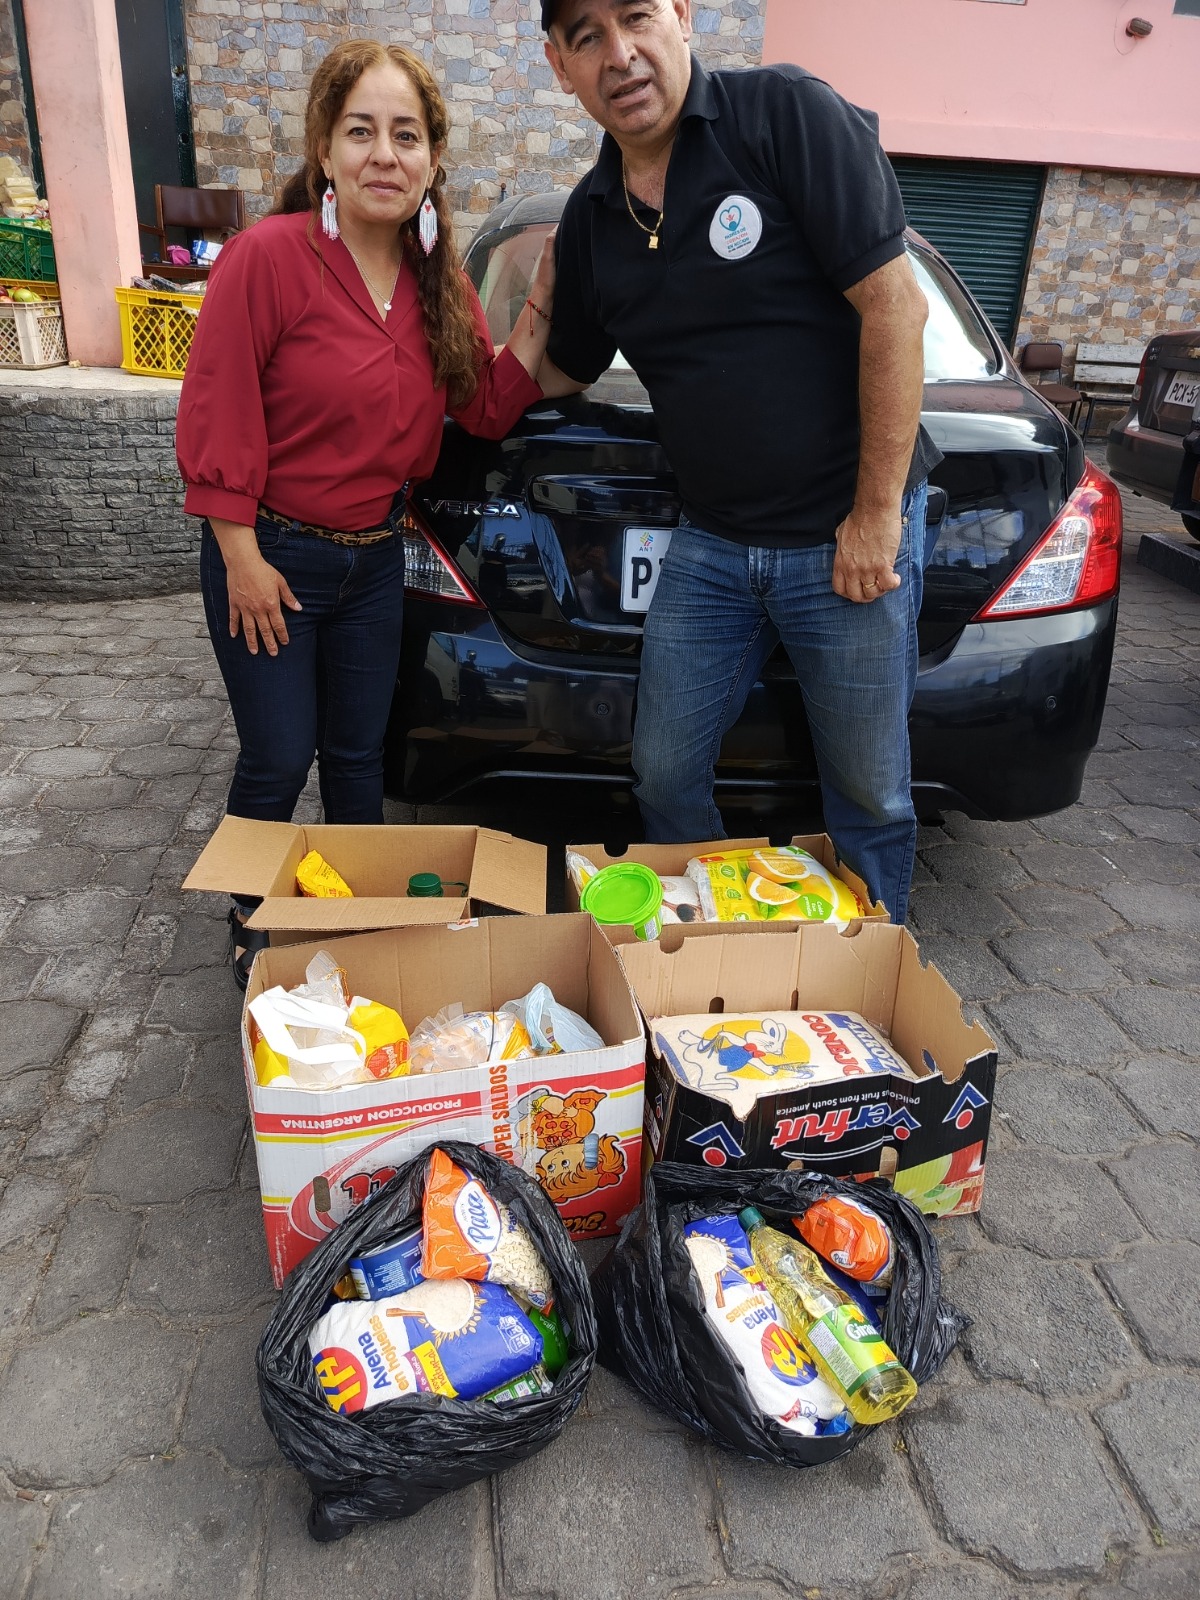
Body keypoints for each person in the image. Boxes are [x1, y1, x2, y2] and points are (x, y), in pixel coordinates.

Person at [538, 0, 941, 923]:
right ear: (560, 64)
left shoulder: (784, 117)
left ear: (681, 16)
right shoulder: (593, 215)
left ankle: (865, 973)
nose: (621, 54)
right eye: (588, 36)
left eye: (637, 15)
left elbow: (896, 307)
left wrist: (876, 515)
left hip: (843, 536)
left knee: (868, 794)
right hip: (714, 543)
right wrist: (443, 377)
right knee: (664, 772)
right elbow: (561, 367)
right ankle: (723, 940)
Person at [176, 40, 557, 984]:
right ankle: (253, 913)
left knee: (355, 758)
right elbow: (218, 407)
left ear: (433, 159)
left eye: (406, 135)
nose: (384, 154)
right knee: (278, 755)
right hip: (270, 556)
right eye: (361, 132)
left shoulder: (441, 284)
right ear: (325, 147)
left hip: (377, 561)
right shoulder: (269, 258)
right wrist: (239, 556)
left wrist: (544, 306)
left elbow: (486, 404)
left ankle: (362, 921)